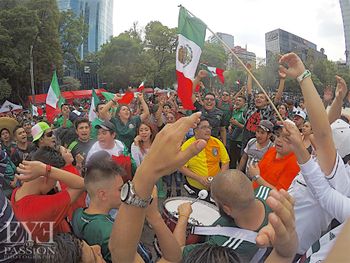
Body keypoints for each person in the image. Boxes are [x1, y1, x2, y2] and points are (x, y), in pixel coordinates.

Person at [107, 111, 299, 263]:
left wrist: (181, 216)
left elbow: (176, 254)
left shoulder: (224, 245)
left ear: (227, 209)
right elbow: (284, 254)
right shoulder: (271, 198)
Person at [12, 151, 85, 242]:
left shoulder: (17, 193)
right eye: (56, 180)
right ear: (46, 177)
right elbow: (83, 184)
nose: (56, 184)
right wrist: (47, 170)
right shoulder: (42, 207)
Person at [179, 117, 229, 196]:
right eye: (204, 127)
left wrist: (219, 179)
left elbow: (225, 162)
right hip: (195, 188)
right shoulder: (187, 146)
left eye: (209, 127)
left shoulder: (217, 142)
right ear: (195, 130)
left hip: (215, 187)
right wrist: (199, 179)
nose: (208, 130)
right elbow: (181, 167)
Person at [248, 123, 300, 190]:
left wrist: (257, 177)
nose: (279, 140)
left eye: (285, 138)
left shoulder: (294, 163)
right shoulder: (272, 150)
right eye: (278, 135)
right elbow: (257, 171)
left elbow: (279, 193)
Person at [191, 71, 227, 145]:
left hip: (213, 145)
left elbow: (222, 130)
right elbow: (190, 92)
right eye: (207, 99)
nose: (209, 101)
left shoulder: (220, 113)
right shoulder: (198, 109)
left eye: (212, 99)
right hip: (197, 144)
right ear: (203, 101)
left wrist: (224, 145)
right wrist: (198, 77)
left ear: (215, 102)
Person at [228, 95, 246, 169]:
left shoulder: (244, 113)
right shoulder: (235, 111)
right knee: (232, 159)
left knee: (240, 160)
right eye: (237, 100)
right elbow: (232, 121)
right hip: (232, 139)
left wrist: (238, 124)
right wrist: (230, 126)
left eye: (240, 100)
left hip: (240, 141)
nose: (237, 102)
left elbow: (248, 128)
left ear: (244, 104)